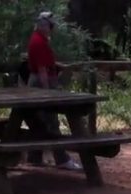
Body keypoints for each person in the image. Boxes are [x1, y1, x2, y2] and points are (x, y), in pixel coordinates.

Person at [26, 11, 81, 171]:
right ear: (45, 25)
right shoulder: (39, 42)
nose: (52, 28)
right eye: (50, 25)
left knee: (39, 123)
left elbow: (46, 63)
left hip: (40, 80)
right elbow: (42, 69)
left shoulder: (39, 39)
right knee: (51, 121)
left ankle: (35, 156)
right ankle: (61, 158)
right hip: (42, 82)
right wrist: (48, 93)